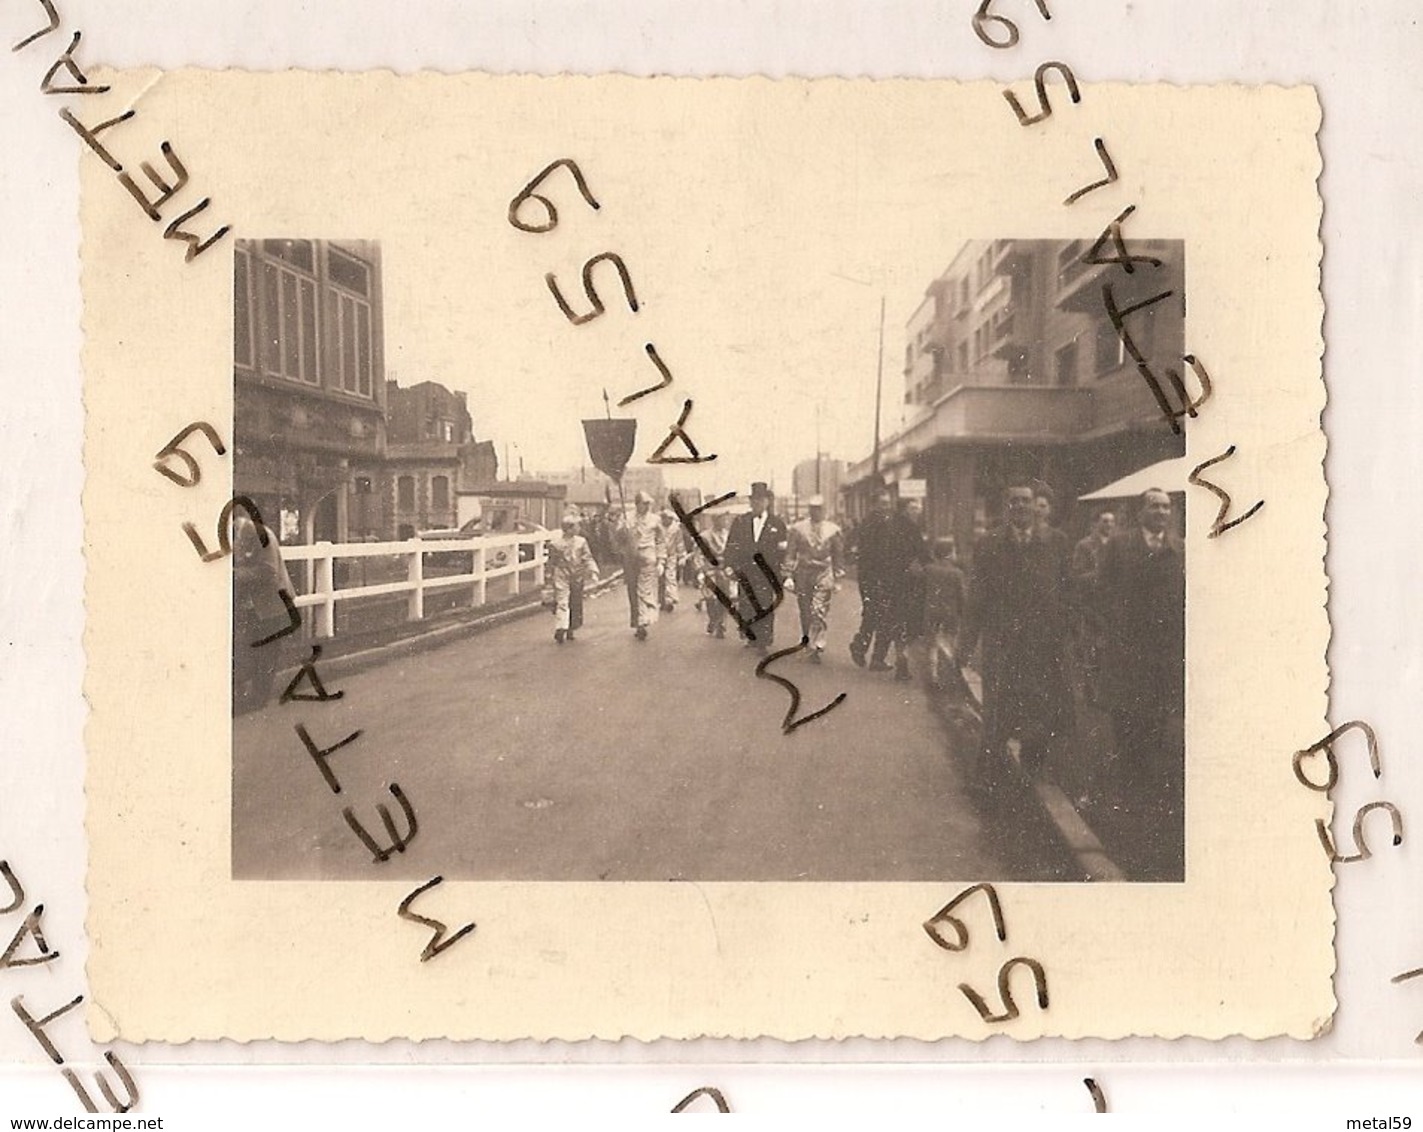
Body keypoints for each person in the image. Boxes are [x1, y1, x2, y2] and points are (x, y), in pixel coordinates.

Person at [959, 483, 1073, 779]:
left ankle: (1031, 775)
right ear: (1006, 506)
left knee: (1039, 713)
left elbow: (1068, 593)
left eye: (1026, 500)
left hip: (1042, 647)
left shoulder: (1057, 543)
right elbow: (976, 600)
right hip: (1002, 645)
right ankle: (989, 782)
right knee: (997, 713)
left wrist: (1066, 636)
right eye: (1014, 501)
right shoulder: (989, 544)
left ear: (1036, 505)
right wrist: (965, 645)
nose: (1021, 506)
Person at [1095, 488, 1185, 848]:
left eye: (1166, 507)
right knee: (1125, 718)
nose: (1161, 513)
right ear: (1141, 512)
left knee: (1158, 720)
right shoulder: (1119, 546)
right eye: (1154, 507)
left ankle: (1147, 791)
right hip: (1127, 651)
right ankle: (1128, 786)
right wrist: (1112, 633)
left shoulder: (1178, 550)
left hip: (1162, 655)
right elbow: (1103, 592)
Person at [231, 510, 294, 714]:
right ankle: (249, 698)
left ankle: (258, 700)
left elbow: (269, 572)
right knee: (249, 651)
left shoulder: (260, 536)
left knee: (267, 655)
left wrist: (233, 574)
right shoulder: (242, 534)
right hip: (254, 607)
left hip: (272, 605)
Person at [723, 481, 790, 652]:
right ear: (750, 502)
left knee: (766, 605)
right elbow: (732, 544)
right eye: (754, 500)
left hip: (768, 572)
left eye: (761, 500)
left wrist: (783, 573)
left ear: (767, 501)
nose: (757, 503)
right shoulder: (741, 521)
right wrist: (729, 565)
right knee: (746, 604)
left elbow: (783, 551)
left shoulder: (777, 524)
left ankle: (764, 641)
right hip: (745, 571)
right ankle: (751, 636)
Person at [785, 494, 845, 663]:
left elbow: (838, 555)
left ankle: (816, 646)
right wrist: (788, 575)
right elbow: (790, 553)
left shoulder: (833, 530)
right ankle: (806, 638)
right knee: (805, 610)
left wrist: (838, 577)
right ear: (809, 510)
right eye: (813, 509)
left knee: (818, 610)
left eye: (819, 509)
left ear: (824, 510)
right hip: (803, 573)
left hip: (823, 573)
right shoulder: (797, 529)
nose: (816, 512)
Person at [881, 497, 930, 681]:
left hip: (893, 582)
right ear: (905, 510)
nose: (917, 510)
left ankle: (902, 662)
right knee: (909, 624)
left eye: (917, 506)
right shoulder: (910, 528)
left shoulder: (892, 526)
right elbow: (921, 553)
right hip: (909, 583)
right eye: (913, 507)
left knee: (898, 622)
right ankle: (903, 664)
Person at [848, 488, 896, 668]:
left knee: (872, 615)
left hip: (870, 576)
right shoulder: (880, 524)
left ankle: (861, 648)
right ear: (874, 504)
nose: (886, 507)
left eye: (888, 504)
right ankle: (875, 657)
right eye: (883, 504)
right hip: (878, 577)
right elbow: (881, 553)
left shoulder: (868, 523)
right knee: (885, 617)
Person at [547, 509, 600, 644]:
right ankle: (561, 628)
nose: (579, 528)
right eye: (577, 526)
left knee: (575, 602)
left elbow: (587, 557)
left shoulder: (581, 542)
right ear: (569, 529)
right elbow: (551, 562)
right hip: (562, 574)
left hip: (577, 575)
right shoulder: (555, 544)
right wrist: (549, 577)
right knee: (562, 600)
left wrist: (593, 570)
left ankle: (570, 628)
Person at [619, 490, 665, 641]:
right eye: (643, 504)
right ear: (637, 504)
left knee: (644, 590)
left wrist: (661, 559)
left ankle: (643, 621)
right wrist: (622, 530)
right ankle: (638, 622)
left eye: (648, 504)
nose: (646, 506)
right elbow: (619, 539)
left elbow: (660, 540)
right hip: (631, 558)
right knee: (633, 590)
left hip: (648, 558)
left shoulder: (655, 519)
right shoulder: (627, 517)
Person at [923, 535, 966, 689]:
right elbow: (962, 595)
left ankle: (933, 676)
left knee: (932, 644)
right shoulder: (957, 573)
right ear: (949, 554)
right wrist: (963, 613)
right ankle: (950, 675)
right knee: (950, 642)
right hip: (950, 613)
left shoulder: (928, 570)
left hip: (931, 611)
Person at [698, 511, 733, 638]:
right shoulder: (705, 536)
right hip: (710, 569)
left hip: (724, 570)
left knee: (725, 597)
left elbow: (732, 552)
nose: (725, 521)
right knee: (710, 598)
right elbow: (699, 555)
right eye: (722, 518)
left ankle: (721, 624)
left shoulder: (729, 535)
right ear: (715, 519)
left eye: (726, 519)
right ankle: (713, 619)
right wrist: (701, 570)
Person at [659, 508, 685, 613]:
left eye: (667, 518)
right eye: (663, 518)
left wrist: (682, 556)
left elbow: (680, 543)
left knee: (670, 576)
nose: (665, 520)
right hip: (659, 556)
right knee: (660, 578)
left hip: (671, 556)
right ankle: (661, 600)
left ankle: (670, 599)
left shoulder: (676, 529)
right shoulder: (658, 528)